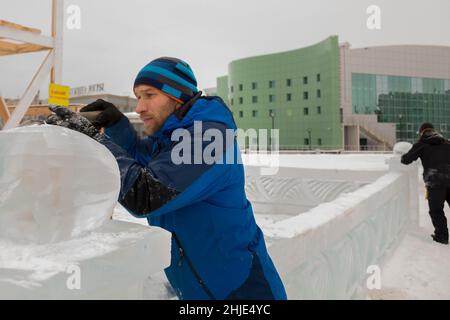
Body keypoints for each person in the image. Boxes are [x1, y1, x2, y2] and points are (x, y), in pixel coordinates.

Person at [46, 57, 287, 299]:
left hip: (244, 293)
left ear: (177, 97)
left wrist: (97, 141)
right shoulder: (173, 137)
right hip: (200, 291)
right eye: (138, 97)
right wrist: (116, 124)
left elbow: (146, 194)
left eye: (149, 95)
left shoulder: (209, 137)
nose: (139, 107)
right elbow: (141, 161)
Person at [401, 122, 450, 245]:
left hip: (435, 182)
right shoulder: (446, 143)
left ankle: (442, 236)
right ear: (434, 131)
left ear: (422, 132)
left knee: (436, 210)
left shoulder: (421, 144)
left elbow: (406, 159)